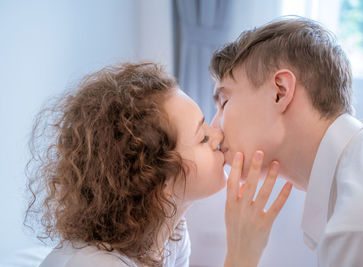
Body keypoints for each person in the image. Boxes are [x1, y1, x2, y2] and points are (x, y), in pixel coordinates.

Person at [25, 62, 292, 267]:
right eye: (202, 137)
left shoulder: (170, 234)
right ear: (156, 177)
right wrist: (242, 253)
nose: (218, 135)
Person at [210, 16, 363, 266]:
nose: (214, 129)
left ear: (280, 91)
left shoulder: (362, 226)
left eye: (224, 102)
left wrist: (240, 256)